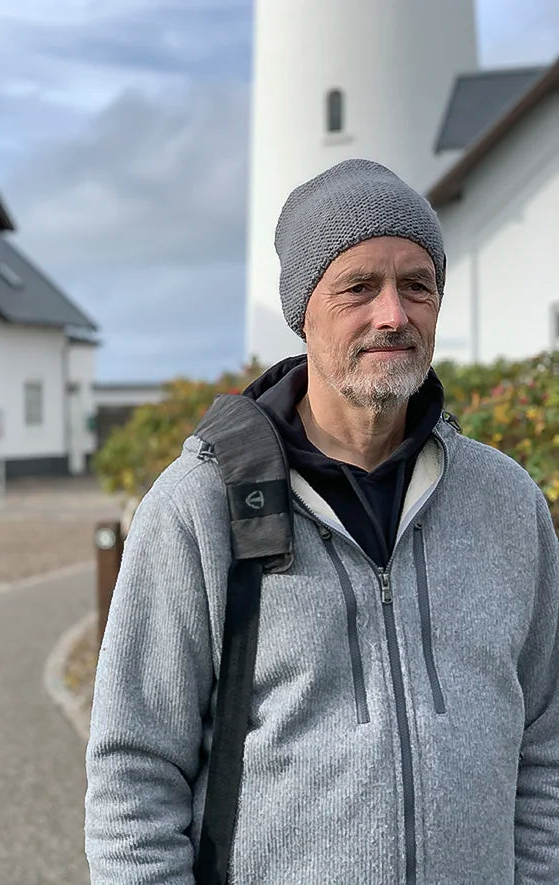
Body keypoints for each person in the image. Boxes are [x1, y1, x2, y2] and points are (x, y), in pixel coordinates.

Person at [84, 159, 559, 884]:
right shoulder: (199, 509)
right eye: (359, 287)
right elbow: (133, 778)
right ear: (303, 310)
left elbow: (547, 745)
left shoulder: (507, 502)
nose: (393, 314)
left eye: (417, 285)